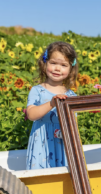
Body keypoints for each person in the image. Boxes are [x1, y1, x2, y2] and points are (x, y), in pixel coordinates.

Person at [26, 41, 78, 170]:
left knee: (62, 176)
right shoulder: (37, 90)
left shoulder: (72, 96)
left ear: (71, 69)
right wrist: (51, 103)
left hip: (62, 143)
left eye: (63, 65)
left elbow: (73, 125)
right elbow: (31, 115)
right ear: (45, 63)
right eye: (53, 63)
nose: (57, 68)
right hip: (41, 143)